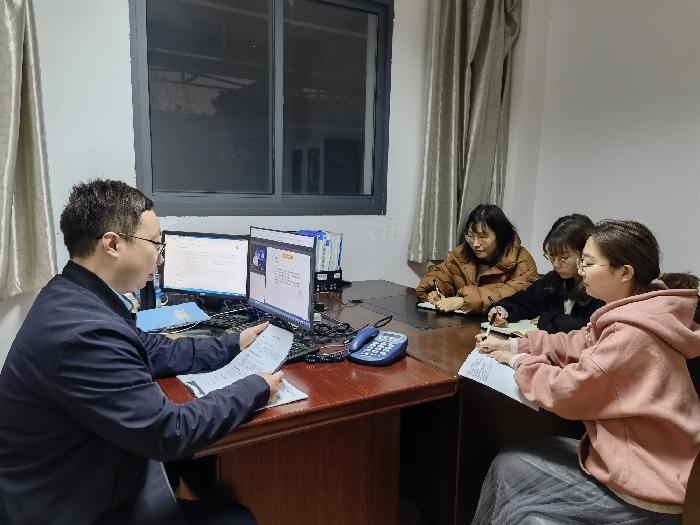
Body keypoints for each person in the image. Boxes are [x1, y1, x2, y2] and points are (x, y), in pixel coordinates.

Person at [0, 180, 284, 525]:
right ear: (112, 244)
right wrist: (255, 387)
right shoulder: (85, 335)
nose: (160, 257)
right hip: (71, 507)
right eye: (155, 243)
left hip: (80, 475)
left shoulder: (72, 293)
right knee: (237, 518)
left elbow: (151, 349)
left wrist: (233, 344)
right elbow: (170, 432)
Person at [473, 220, 700, 523]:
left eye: (588, 263)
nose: (580, 271)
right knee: (511, 460)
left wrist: (518, 362)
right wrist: (516, 344)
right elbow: (580, 340)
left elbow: (564, 390)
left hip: (647, 488)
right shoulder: (641, 311)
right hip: (654, 464)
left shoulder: (632, 334)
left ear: (625, 272)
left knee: (512, 467)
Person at [485, 214, 605, 334]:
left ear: (584, 254)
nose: (556, 264)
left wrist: (549, 319)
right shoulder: (554, 279)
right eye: (551, 256)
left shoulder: (602, 288)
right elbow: (522, 301)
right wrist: (501, 309)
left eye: (563, 258)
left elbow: (593, 328)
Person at [416, 204, 538, 314]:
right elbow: (441, 276)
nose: (475, 244)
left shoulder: (522, 262)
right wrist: (434, 292)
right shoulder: (463, 253)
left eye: (482, 237)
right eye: (470, 236)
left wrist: (463, 301)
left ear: (501, 235)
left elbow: (512, 297)